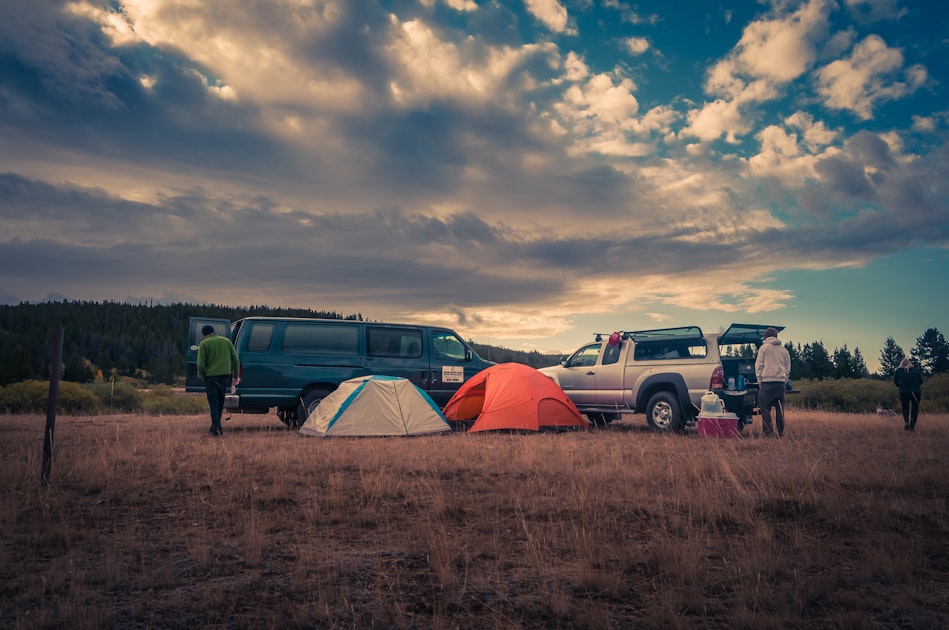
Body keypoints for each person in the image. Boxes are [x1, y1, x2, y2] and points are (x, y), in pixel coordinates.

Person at [197, 324, 240, 436]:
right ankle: (214, 427)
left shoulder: (204, 344)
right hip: (224, 377)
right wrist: (235, 376)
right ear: (213, 332)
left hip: (211, 378)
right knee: (220, 404)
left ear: (204, 335)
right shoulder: (226, 341)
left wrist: (204, 376)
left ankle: (218, 428)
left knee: (213, 404)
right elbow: (235, 359)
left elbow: (200, 364)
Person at [755, 327, 791, 438]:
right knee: (780, 409)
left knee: (765, 408)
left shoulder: (764, 348)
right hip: (780, 383)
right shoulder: (784, 350)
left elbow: (759, 365)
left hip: (767, 382)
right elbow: (787, 368)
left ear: (766, 337)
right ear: (776, 336)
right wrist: (784, 380)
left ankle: (768, 432)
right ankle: (780, 433)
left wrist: (759, 380)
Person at [893, 358, 924, 432]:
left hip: (903, 392)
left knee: (905, 408)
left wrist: (901, 387)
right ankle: (912, 427)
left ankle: (906, 423)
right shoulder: (915, 370)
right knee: (914, 409)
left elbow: (895, 382)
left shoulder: (898, 371)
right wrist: (915, 386)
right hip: (916, 392)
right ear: (910, 363)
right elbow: (921, 381)